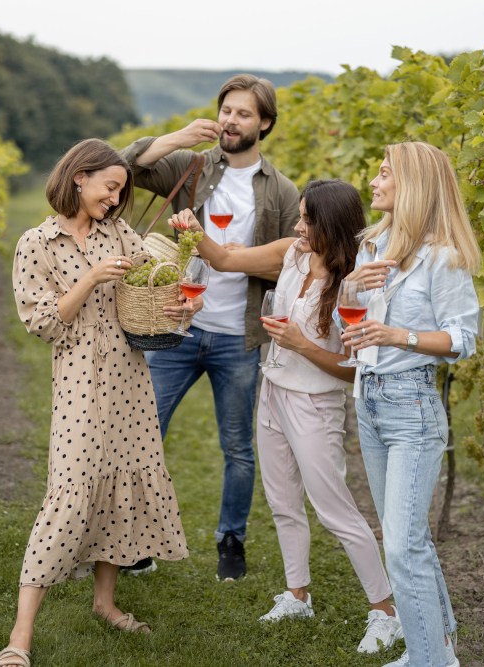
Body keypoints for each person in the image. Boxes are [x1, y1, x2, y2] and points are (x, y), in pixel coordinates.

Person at [167, 179, 404, 654]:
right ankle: (298, 594)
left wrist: (301, 344)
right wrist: (192, 230)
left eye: (306, 221)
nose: (297, 227)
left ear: (331, 226)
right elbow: (226, 259)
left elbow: (352, 369)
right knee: (281, 502)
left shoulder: (358, 278)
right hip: (273, 389)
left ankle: (387, 611)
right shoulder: (292, 254)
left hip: (315, 403)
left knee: (334, 509)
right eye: (298, 217)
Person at [0, 139, 193, 667]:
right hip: (81, 382)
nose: (115, 199)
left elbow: (153, 278)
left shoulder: (117, 232)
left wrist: (181, 261)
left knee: (122, 483)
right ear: (79, 177)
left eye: (121, 191)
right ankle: (20, 636)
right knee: (70, 493)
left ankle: (105, 603)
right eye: (110, 188)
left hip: (130, 378)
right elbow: (42, 324)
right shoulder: (36, 243)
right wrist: (89, 278)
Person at [120, 74, 301, 581]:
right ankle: (135, 540)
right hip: (174, 328)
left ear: (264, 123)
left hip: (237, 337)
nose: (231, 121)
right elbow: (119, 168)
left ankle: (231, 541)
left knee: (239, 447)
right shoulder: (192, 166)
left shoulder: (282, 191)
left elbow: (292, 266)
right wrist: (177, 138)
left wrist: (233, 260)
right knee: (143, 433)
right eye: (226, 111)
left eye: (244, 114)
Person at [340, 142, 480, 667]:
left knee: (400, 547)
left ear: (413, 185)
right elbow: (347, 325)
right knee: (408, 538)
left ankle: (429, 662)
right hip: (370, 404)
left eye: (383, 174)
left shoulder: (442, 258)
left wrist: (401, 336)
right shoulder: (372, 246)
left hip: (412, 408)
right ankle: (438, 650)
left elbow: (463, 338)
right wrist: (352, 289)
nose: (373, 182)